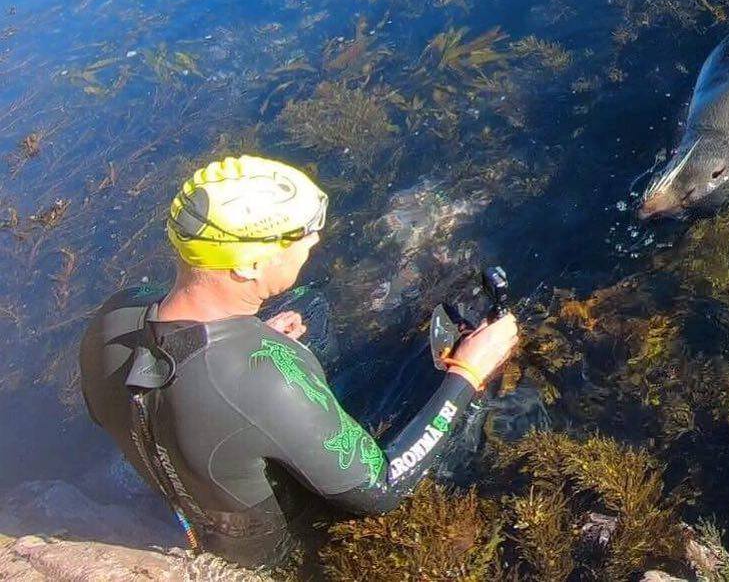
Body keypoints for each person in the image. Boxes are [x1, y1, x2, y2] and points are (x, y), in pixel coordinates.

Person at [80, 155, 519, 567]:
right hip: (275, 549)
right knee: (456, 421)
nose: (313, 241)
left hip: (192, 488)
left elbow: (170, 385)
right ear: (250, 264)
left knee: (311, 306)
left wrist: (246, 343)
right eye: (298, 236)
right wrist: (467, 373)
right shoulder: (265, 381)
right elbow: (382, 489)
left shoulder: (113, 316)